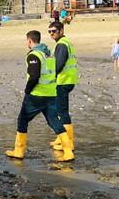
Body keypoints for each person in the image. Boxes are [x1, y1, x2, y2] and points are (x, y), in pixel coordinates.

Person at [5, 30, 73, 162]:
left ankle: (18, 150)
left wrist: (27, 90)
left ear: (30, 41)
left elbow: (34, 76)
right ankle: (68, 151)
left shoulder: (34, 55)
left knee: (22, 120)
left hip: (37, 95)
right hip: (51, 93)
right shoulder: (48, 54)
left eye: (27, 41)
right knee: (54, 121)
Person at [48, 21, 78, 153]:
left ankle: (69, 141)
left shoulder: (62, 45)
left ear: (61, 31)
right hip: (67, 80)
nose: (51, 34)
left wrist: (49, 78)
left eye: (54, 31)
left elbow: (58, 65)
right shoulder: (66, 42)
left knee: (62, 111)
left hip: (63, 81)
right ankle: (61, 138)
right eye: (49, 32)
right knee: (60, 111)